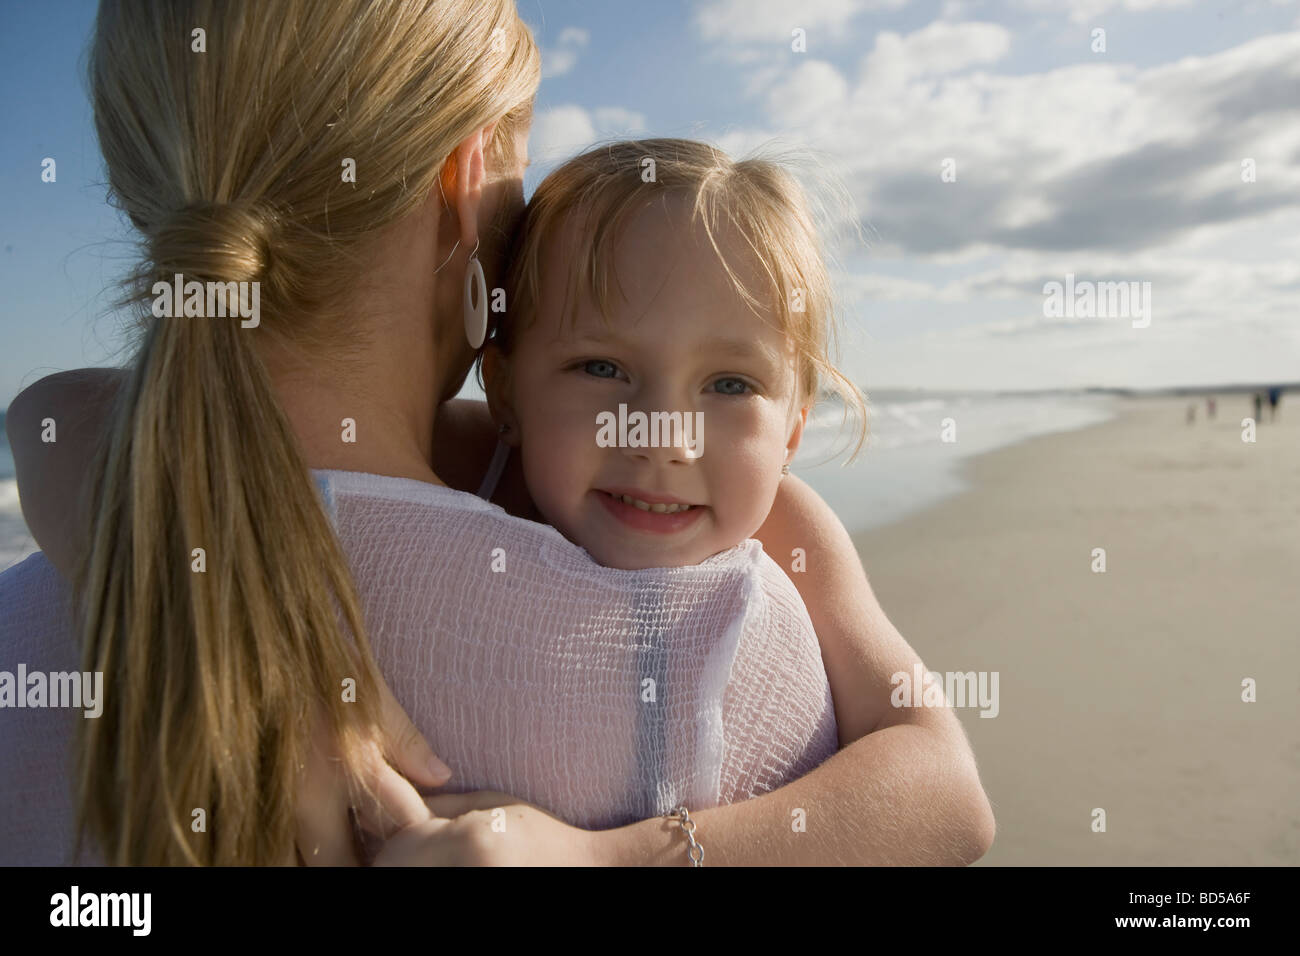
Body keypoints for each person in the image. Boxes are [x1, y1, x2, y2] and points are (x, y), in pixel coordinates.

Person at [1, 0, 993, 866]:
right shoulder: (725, 649)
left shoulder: (59, 584)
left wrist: (155, 561)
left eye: (729, 382)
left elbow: (60, 411)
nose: (661, 435)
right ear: (462, 178)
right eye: (599, 365)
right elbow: (940, 801)